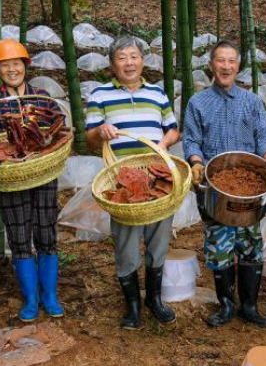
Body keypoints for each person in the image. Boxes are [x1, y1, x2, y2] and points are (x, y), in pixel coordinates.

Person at [183, 40, 266, 328]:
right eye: (220, 60)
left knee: (251, 244)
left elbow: (264, 138)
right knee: (218, 245)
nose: (226, 66)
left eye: (231, 61)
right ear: (212, 64)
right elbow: (191, 139)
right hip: (214, 188)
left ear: (238, 66)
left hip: (249, 188)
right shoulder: (198, 102)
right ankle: (226, 304)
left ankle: (250, 306)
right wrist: (195, 162)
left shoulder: (252, 102)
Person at [85, 36, 180, 330]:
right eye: (122, 57)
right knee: (126, 244)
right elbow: (89, 138)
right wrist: (101, 130)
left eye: (134, 56)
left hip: (157, 176)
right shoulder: (100, 94)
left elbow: (173, 130)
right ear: (112, 64)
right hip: (121, 181)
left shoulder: (157, 93)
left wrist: (162, 147)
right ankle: (132, 306)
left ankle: (154, 299)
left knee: (159, 239)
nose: (129, 62)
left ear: (143, 60)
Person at [0, 39, 65, 322]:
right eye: (5, 65)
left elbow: (59, 128)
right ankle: (31, 300)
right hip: (9, 177)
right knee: (19, 237)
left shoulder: (43, 97)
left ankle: (50, 296)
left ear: (25, 65)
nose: (12, 69)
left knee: (47, 233)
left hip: (43, 173)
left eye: (16, 63)